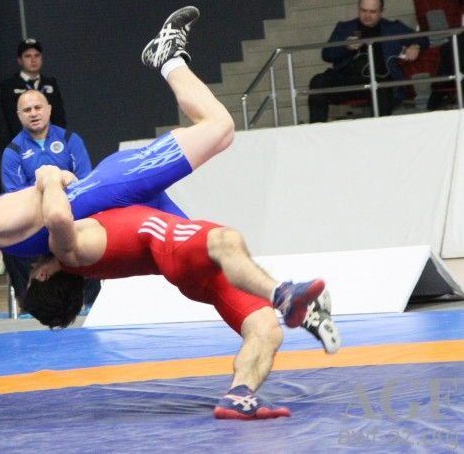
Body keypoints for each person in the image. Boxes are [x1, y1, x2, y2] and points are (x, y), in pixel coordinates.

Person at [0, 7, 332, 367]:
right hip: (116, 202)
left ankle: (166, 56)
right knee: (203, 263)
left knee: (221, 128)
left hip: (111, 187)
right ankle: (283, 308)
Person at [25, 165, 340, 420]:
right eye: (31, 274)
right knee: (226, 239)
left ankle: (239, 393)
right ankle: (284, 296)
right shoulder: (67, 250)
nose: (32, 264)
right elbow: (56, 211)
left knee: (267, 331)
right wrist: (50, 177)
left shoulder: (80, 255)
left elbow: (79, 190)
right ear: (42, 275)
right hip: (171, 246)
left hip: (199, 274)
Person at [1, 89, 100, 316]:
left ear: (49, 109)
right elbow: (15, 196)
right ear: (19, 115)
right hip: (35, 222)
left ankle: (91, 301)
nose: (33, 113)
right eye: (27, 110)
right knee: (9, 246)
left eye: (38, 108)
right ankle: (27, 301)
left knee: (94, 234)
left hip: (73, 215)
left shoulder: (70, 140)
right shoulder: (13, 151)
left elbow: (85, 182)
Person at [308, 0, 429, 123]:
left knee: (382, 88)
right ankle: (316, 128)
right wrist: (345, 47)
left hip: (379, 81)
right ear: (358, 9)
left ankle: (378, 132)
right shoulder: (344, 28)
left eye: (372, 12)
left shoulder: (393, 27)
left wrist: (415, 46)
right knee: (318, 82)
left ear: (382, 12)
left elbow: (424, 38)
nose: (367, 15)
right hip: (346, 79)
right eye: (363, 10)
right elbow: (326, 55)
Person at [0, 38, 67, 155]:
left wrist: (56, 140)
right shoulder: (9, 86)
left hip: (52, 144)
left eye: (37, 55)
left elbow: (59, 116)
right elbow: (11, 120)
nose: (33, 59)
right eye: (28, 56)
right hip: (22, 146)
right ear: (19, 60)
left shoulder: (50, 83)